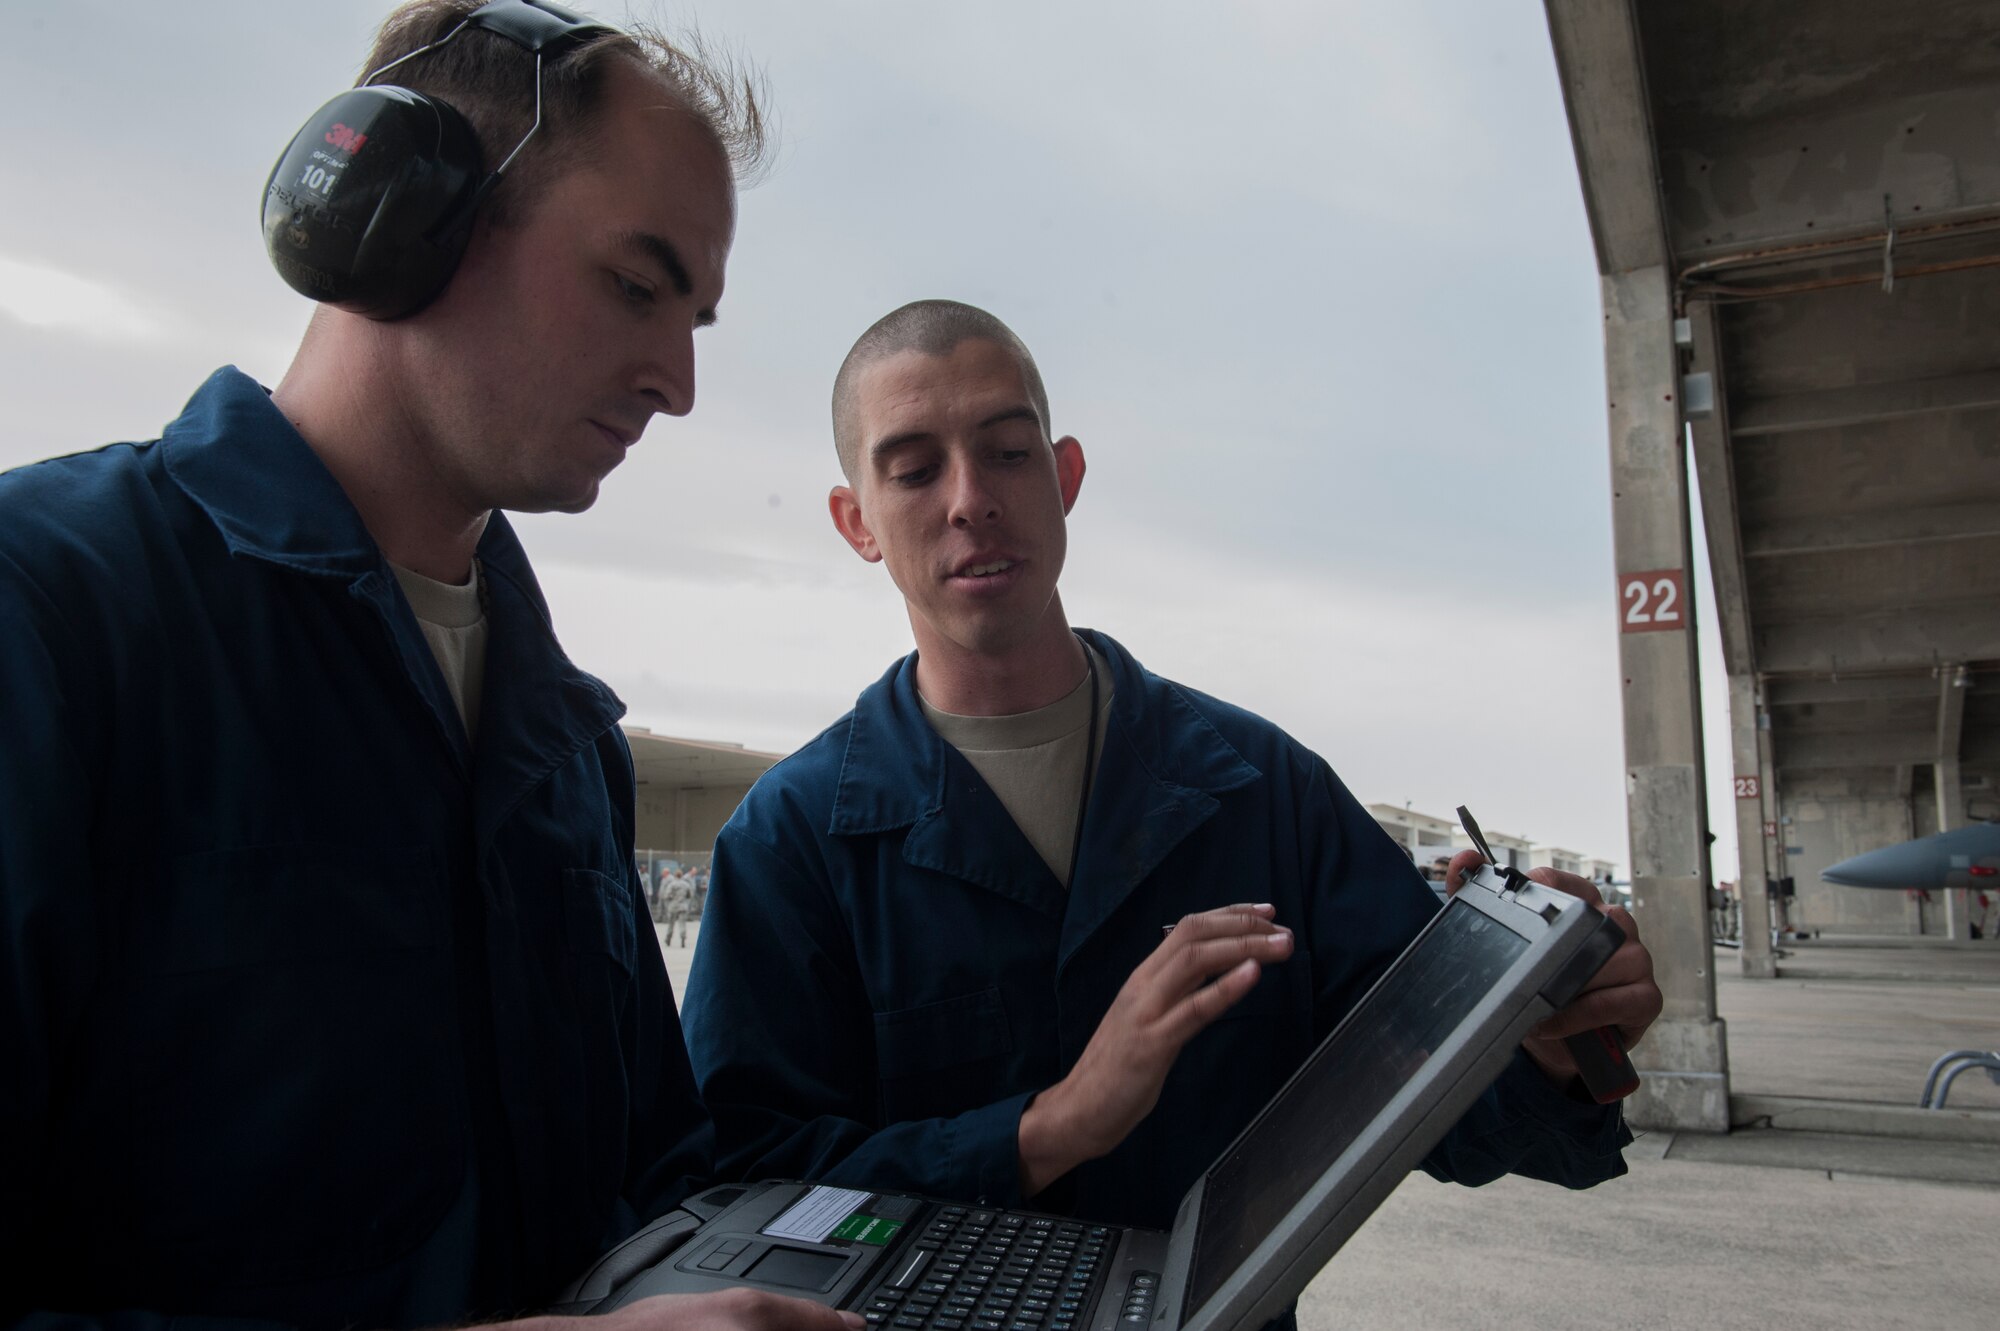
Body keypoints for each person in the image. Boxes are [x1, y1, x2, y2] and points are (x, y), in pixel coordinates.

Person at [0, 5, 853, 1331]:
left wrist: (967, 1195)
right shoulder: (48, 617)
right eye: (638, 284)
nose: (678, 383)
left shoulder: (567, 746)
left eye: (697, 317)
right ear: (405, 220)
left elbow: (664, 1186)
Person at [682, 300, 1662, 1239]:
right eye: (911, 470)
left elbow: (1437, 1103)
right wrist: (1044, 1129)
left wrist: (1545, 1037)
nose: (970, 498)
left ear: (1063, 476)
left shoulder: (1262, 791)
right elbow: (741, 1183)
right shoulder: (793, 839)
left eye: (1007, 452)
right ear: (856, 521)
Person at [664, 868, 698, 948]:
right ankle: (683, 938)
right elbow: (689, 895)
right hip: (683, 906)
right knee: (682, 924)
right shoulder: (686, 884)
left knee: (671, 924)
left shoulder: (672, 884)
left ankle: (668, 939)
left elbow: (667, 895)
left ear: (675, 875)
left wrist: (672, 897)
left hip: (673, 906)